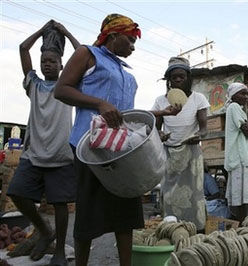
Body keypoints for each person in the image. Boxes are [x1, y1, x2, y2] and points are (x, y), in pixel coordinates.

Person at [54, 14, 179, 266]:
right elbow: (62, 89)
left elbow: (123, 114)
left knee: (127, 214)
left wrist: (160, 114)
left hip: (122, 150)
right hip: (91, 146)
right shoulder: (87, 54)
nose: (133, 47)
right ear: (113, 35)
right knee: (88, 214)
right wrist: (99, 103)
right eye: (130, 40)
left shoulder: (124, 72)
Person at [7, 20, 79, 266]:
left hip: (60, 154)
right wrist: (41, 31)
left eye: (52, 61)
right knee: (16, 192)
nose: (47, 64)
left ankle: (59, 250)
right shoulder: (34, 85)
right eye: (44, 61)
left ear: (62, 65)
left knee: (60, 204)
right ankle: (44, 230)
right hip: (33, 153)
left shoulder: (66, 86)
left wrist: (66, 32)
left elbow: (82, 58)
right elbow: (22, 49)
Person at [152, 57, 210, 231]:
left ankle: (196, 229)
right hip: (169, 152)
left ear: (188, 78)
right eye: (174, 77)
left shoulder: (198, 98)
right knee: (169, 193)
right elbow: (157, 128)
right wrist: (160, 134)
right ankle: (173, 229)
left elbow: (204, 128)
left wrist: (199, 135)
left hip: (191, 151)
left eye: (181, 76)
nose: (177, 80)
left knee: (194, 192)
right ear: (169, 80)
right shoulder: (161, 101)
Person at [224, 82, 248, 222]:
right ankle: (243, 222)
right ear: (233, 96)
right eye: (242, 93)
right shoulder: (234, 107)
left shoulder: (236, 109)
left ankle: (240, 222)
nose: (245, 97)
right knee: (242, 194)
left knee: (240, 193)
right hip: (240, 157)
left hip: (240, 157)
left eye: (246, 94)